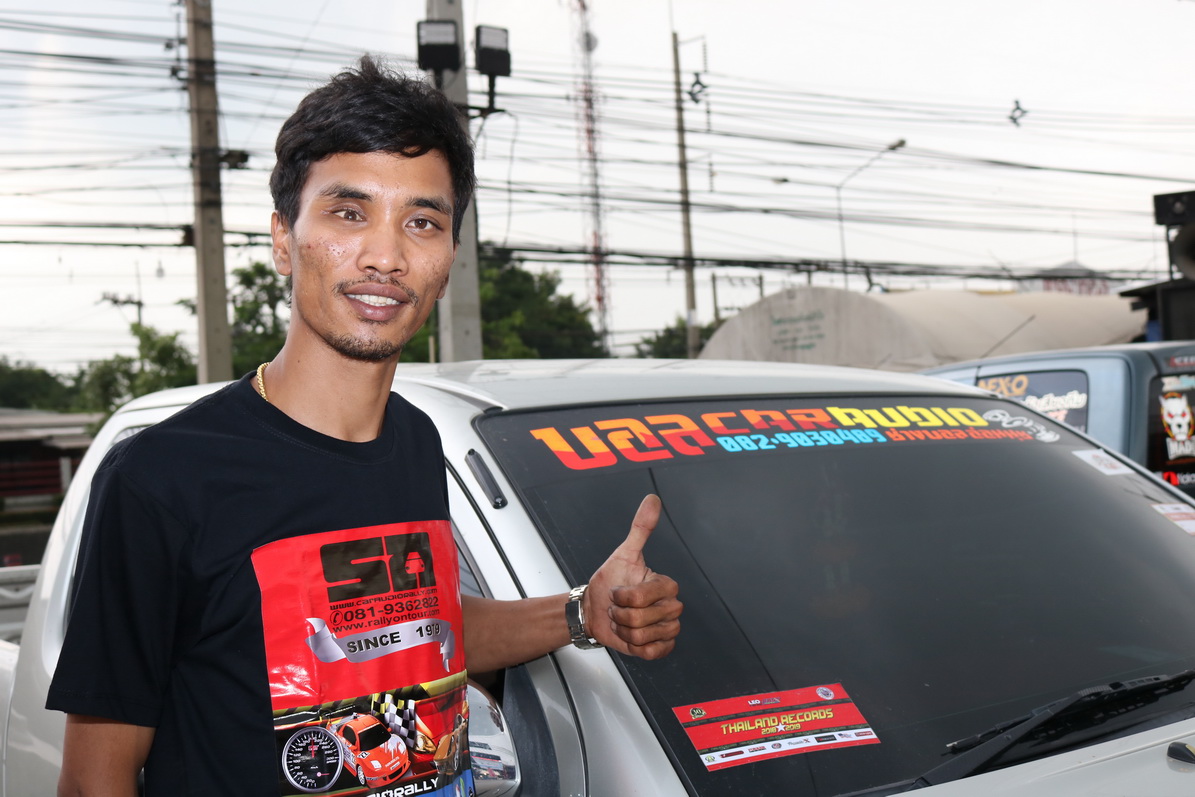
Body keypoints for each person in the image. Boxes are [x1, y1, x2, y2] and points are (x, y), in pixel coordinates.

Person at [48, 55, 682, 797]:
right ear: (283, 239)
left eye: (422, 222)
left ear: (448, 257)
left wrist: (580, 612)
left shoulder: (415, 441)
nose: (386, 256)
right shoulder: (163, 477)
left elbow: (418, 626)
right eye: (348, 214)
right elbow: (94, 779)